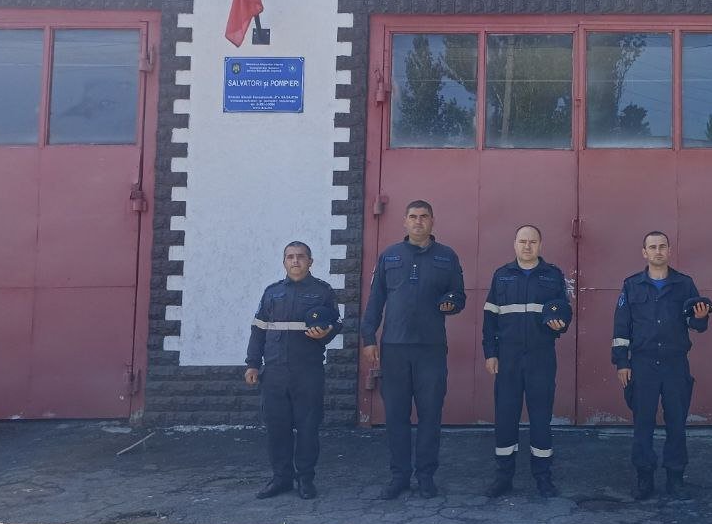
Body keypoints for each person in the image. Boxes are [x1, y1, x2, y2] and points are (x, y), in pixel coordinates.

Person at [360, 200, 466, 499]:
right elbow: (376, 299)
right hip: (394, 348)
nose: (418, 221)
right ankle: (399, 476)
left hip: (431, 349)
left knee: (430, 415)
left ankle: (426, 476)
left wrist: (451, 303)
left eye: (424, 217)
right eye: (413, 217)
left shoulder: (447, 256)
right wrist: (369, 337)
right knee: (396, 415)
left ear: (432, 221)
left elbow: (459, 296)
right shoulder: (389, 256)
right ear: (404, 222)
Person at [613, 231, 711, 500]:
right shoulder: (631, 285)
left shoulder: (684, 284)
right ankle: (644, 477)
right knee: (643, 423)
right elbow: (621, 327)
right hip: (642, 365)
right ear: (644, 252)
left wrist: (701, 318)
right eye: (652, 247)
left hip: (674, 364)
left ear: (669, 250)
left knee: (676, 423)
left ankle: (675, 477)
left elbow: (697, 324)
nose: (658, 251)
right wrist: (622, 362)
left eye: (662, 246)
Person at [244, 241, 341, 500]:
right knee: (277, 429)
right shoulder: (272, 292)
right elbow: (258, 330)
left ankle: (305, 479)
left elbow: (336, 325)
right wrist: (252, 364)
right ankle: (281, 479)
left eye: (300, 256)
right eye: (290, 257)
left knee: (308, 428)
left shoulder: (323, 291)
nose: (295, 261)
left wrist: (324, 334)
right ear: (284, 261)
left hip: (308, 372)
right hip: (274, 373)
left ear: (310, 261)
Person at [481, 225, 572, 498]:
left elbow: (564, 312)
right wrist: (490, 353)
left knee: (541, 418)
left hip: (541, 357)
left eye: (533, 242)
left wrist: (561, 324)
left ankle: (543, 477)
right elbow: (490, 317)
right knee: (505, 417)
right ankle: (503, 477)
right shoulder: (502, 275)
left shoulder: (552, 275)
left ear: (540, 245)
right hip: (507, 358)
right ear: (515, 244)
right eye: (523, 241)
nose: (528, 246)